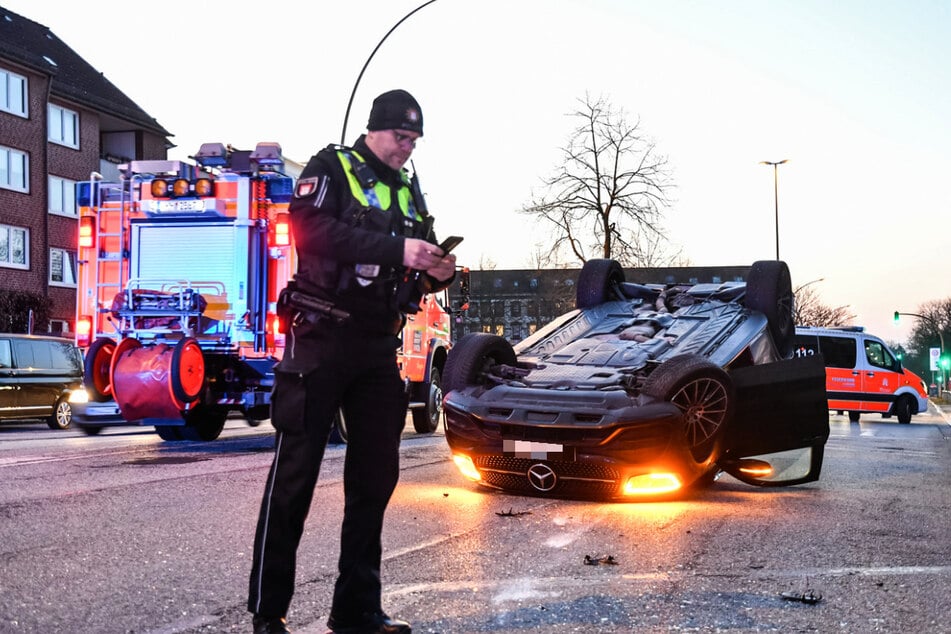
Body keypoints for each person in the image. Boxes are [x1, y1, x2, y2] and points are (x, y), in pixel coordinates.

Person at [247, 89, 456, 634]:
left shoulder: (408, 190)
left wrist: (439, 268)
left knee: (375, 479)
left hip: (375, 348)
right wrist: (398, 252)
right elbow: (309, 230)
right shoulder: (332, 166)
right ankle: (269, 615)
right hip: (319, 338)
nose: (405, 150)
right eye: (399, 137)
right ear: (374, 129)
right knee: (295, 477)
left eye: (413, 141)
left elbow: (422, 249)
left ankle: (357, 609)